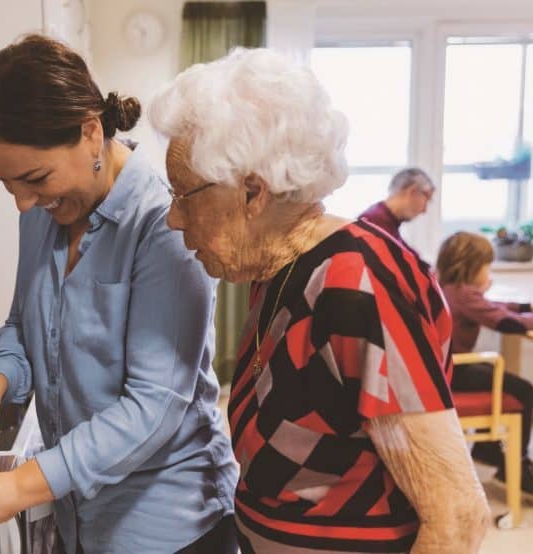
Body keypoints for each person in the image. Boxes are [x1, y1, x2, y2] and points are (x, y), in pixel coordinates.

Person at [150, 48, 489, 553]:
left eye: (185, 196)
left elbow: (458, 517)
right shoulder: (279, 271)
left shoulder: (359, 282)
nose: (174, 219)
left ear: (252, 192)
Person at [0, 34, 238, 554]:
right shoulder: (46, 211)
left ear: (90, 132)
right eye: (4, 182)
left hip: (166, 525)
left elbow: (154, 407)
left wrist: (15, 488)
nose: (21, 203)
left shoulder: (162, 225)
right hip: (76, 516)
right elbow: (23, 323)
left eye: (33, 177)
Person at [436, 231, 533, 492]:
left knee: (492, 374)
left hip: (443, 368)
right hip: (454, 371)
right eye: (486, 266)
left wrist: (524, 307)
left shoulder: (448, 286)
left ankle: (489, 450)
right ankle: (516, 464)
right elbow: (504, 321)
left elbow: (495, 307)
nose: (489, 272)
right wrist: (524, 315)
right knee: (524, 391)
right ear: (472, 266)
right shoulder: (465, 294)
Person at [359, 168, 435, 244]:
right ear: (413, 192)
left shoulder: (387, 222)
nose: (424, 211)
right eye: (427, 200)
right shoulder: (373, 224)